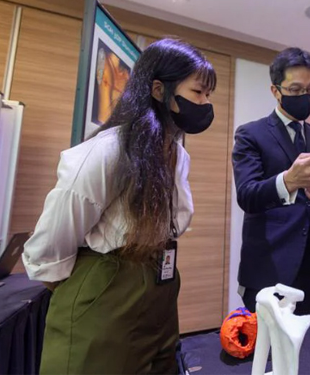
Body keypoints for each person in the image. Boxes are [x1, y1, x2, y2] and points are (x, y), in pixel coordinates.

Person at [22, 38, 216, 374]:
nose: (205, 103)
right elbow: (53, 237)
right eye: (198, 93)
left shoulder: (176, 155)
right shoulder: (108, 151)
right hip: (108, 284)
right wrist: (86, 287)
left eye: (208, 95)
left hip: (160, 283)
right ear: (159, 90)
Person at [232, 47, 310, 315]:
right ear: (275, 91)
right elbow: (247, 195)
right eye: (295, 90)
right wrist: (289, 181)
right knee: (268, 354)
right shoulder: (251, 134)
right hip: (270, 268)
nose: (305, 97)